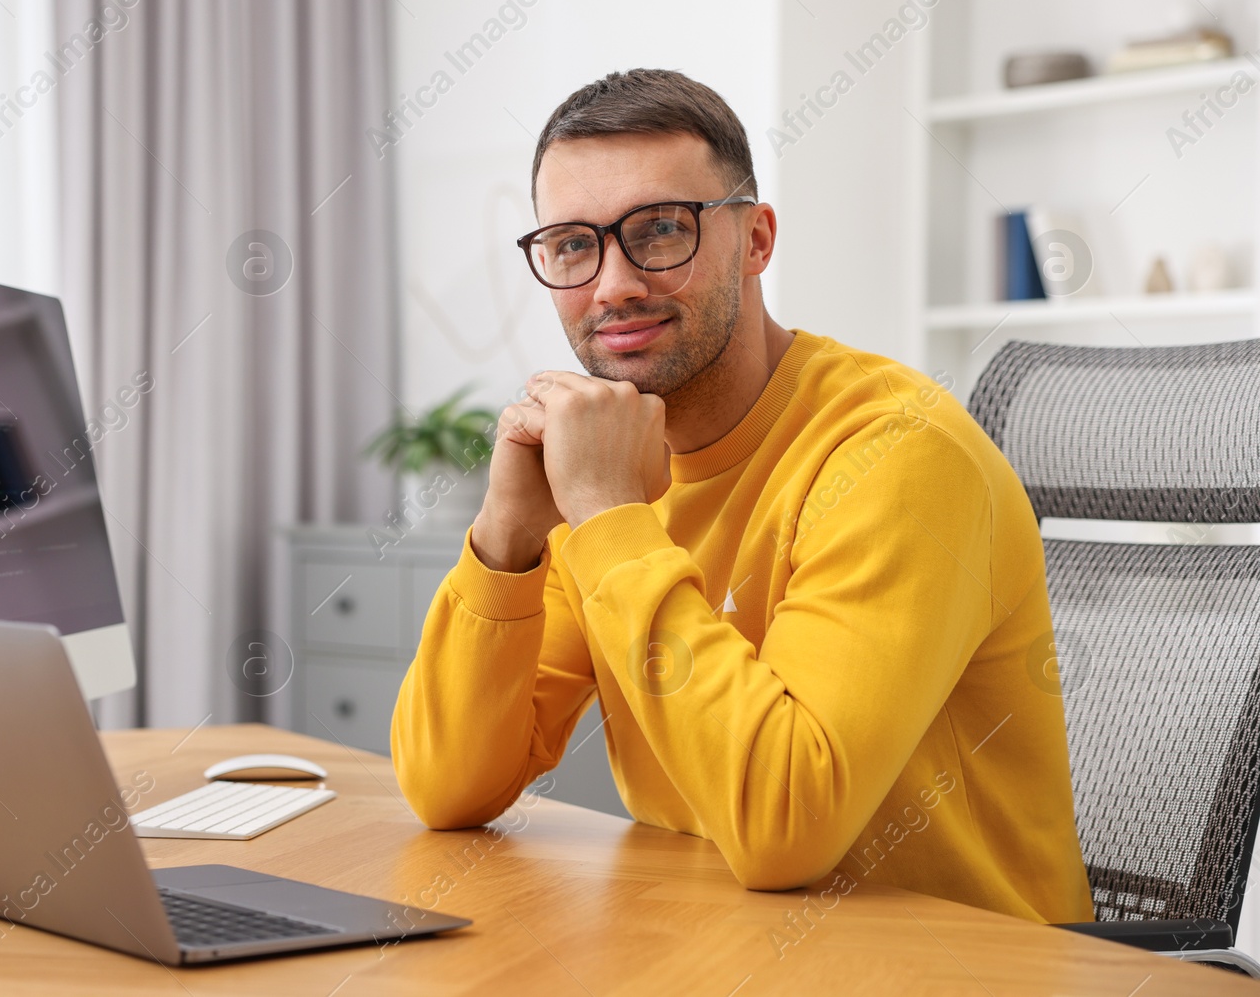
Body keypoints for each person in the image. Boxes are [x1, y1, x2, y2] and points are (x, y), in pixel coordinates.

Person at [389, 68, 1093, 924]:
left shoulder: (897, 455)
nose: (612, 285)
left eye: (659, 230)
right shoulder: (601, 466)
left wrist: (612, 519)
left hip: (956, 968)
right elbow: (448, 786)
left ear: (756, 240)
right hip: (723, 945)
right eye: (573, 244)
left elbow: (785, 823)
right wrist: (506, 535)